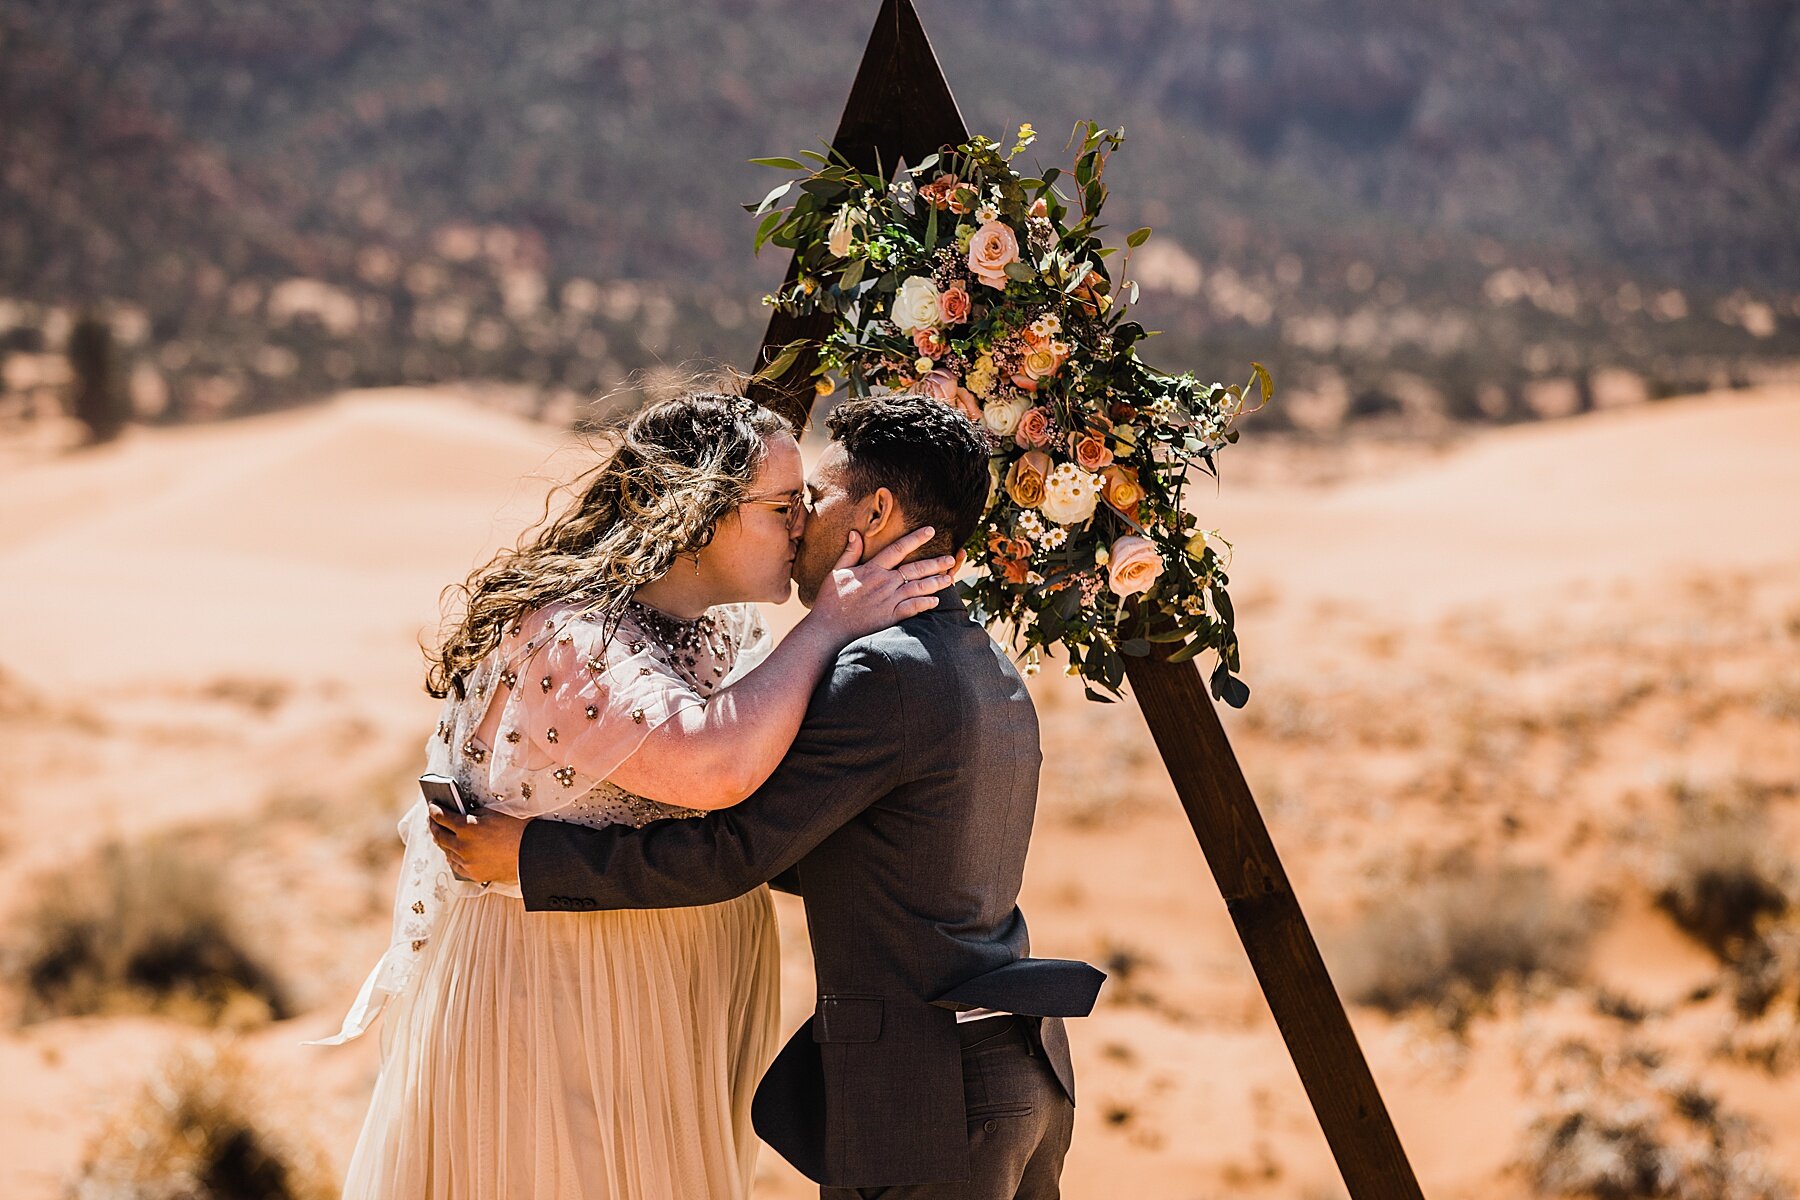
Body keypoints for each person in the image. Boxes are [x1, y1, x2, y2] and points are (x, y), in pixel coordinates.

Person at [436, 394, 1105, 1200]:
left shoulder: (882, 670)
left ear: (877, 510)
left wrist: (533, 856)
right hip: (1015, 1064)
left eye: (811, 500)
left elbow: (739, 852)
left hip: (927, 1089)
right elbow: (835, 854)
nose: (799, 526)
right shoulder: (978, 658)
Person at [318, 389, 958, 1200]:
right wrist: (827, 626)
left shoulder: (727, 630)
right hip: (568, 994)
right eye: (781, 506)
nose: (804, 526)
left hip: (674, 994)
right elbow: (715, 769)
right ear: (693, 511)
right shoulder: (569, 637)